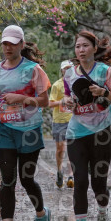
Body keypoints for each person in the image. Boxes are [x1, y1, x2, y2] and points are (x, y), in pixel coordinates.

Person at [0, 24, 52, 221]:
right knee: (7, 180)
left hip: (29, 130)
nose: (8, 47)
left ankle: (41, 214)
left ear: (21, 44)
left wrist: (21, 99)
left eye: (12, 43)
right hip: (4, 129)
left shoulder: (33, 70)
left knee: (26, 179)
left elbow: (44, 101)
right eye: (5, 43)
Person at [61, 31, 111, 221]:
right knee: (80, 181)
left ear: (95, 48)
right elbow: (68, 96)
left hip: (101, 132)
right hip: (76, 133)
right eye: (77, 46)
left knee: (99, 182)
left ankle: (103, 211)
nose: (81, 50)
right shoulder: (69, 74)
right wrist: (68, 102)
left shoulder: (106, 72)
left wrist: (103, 92)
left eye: (85, 46)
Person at [48, 60, 75, 189]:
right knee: (60, 149)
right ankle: (59, 171)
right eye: (65, 68)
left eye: (70, 68)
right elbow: (50, 103)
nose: (67, 70)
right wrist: (62, 101)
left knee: (72, 149)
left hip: (74, 120)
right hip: (59, 121)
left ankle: (71, 176)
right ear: (62, 70)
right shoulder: (57, 85)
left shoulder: (77, 83)